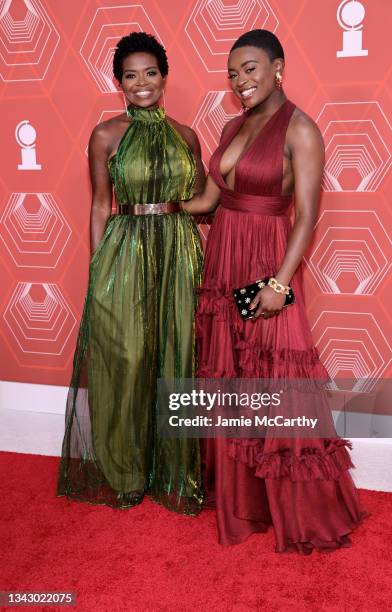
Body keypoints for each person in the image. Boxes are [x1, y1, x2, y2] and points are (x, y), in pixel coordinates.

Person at [182, 29, 367, 551]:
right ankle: (244, 501)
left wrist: (280, 285)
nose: (241, 80)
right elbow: (210, 200)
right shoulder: (233, 123)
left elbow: (307, 216)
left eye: (251, 68)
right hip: (225, 256)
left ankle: (302, 509)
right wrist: (154, 211)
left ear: (278, 67)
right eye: (234, 72)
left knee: (277, 378)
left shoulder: (301, 129)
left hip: (268, 260)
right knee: (233, 375)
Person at [57, 32, 205, 515]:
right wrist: (100, 267)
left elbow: (204, 198)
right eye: (130, 75)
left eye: (150, 73)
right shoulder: (106, 134)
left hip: (179, 251)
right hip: (125, 248)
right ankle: (126, 471)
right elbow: (101, 204)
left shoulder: (187, 136)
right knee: (127, 360)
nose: (141, 84)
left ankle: (175, 468)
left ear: (165, 76)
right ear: (118, 81)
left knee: (178, 358)